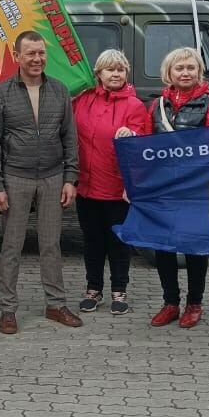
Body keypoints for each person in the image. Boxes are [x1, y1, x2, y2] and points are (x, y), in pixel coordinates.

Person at [0, 30, 82, 334]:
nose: (37, 58)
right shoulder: (1, 94)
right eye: (30, 53)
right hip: (15, 177)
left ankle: (56, 305)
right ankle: (8, 310)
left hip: (54, 177)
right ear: (17, 57)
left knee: (51, 245)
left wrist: (71, 179)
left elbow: (70, 137)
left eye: (41, 53)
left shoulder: (60, 90)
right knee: (11, 247)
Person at [146, 47, 209, 328]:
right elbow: (147, 147)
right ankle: (170, 303)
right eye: (179, 68)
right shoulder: (157, 106)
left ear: (199, 71)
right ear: (169, 73)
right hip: (164, 188)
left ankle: (194, 304)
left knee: (195, 248)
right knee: (163, 247)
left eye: (190, 67)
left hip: (196, 188)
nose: (185, 72)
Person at [72, 49, 149, 316]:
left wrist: (134, 133)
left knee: (118, 242)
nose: (115, 74)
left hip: (117, 188)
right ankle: (93, 289)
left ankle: (119, 290)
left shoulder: (135, 105)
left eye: (120, 69)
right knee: (92, 241)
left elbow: (143, 144)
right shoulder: (82, 100)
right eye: (109, 69)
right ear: (99, 74)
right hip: (86, 186)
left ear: (126, 73)